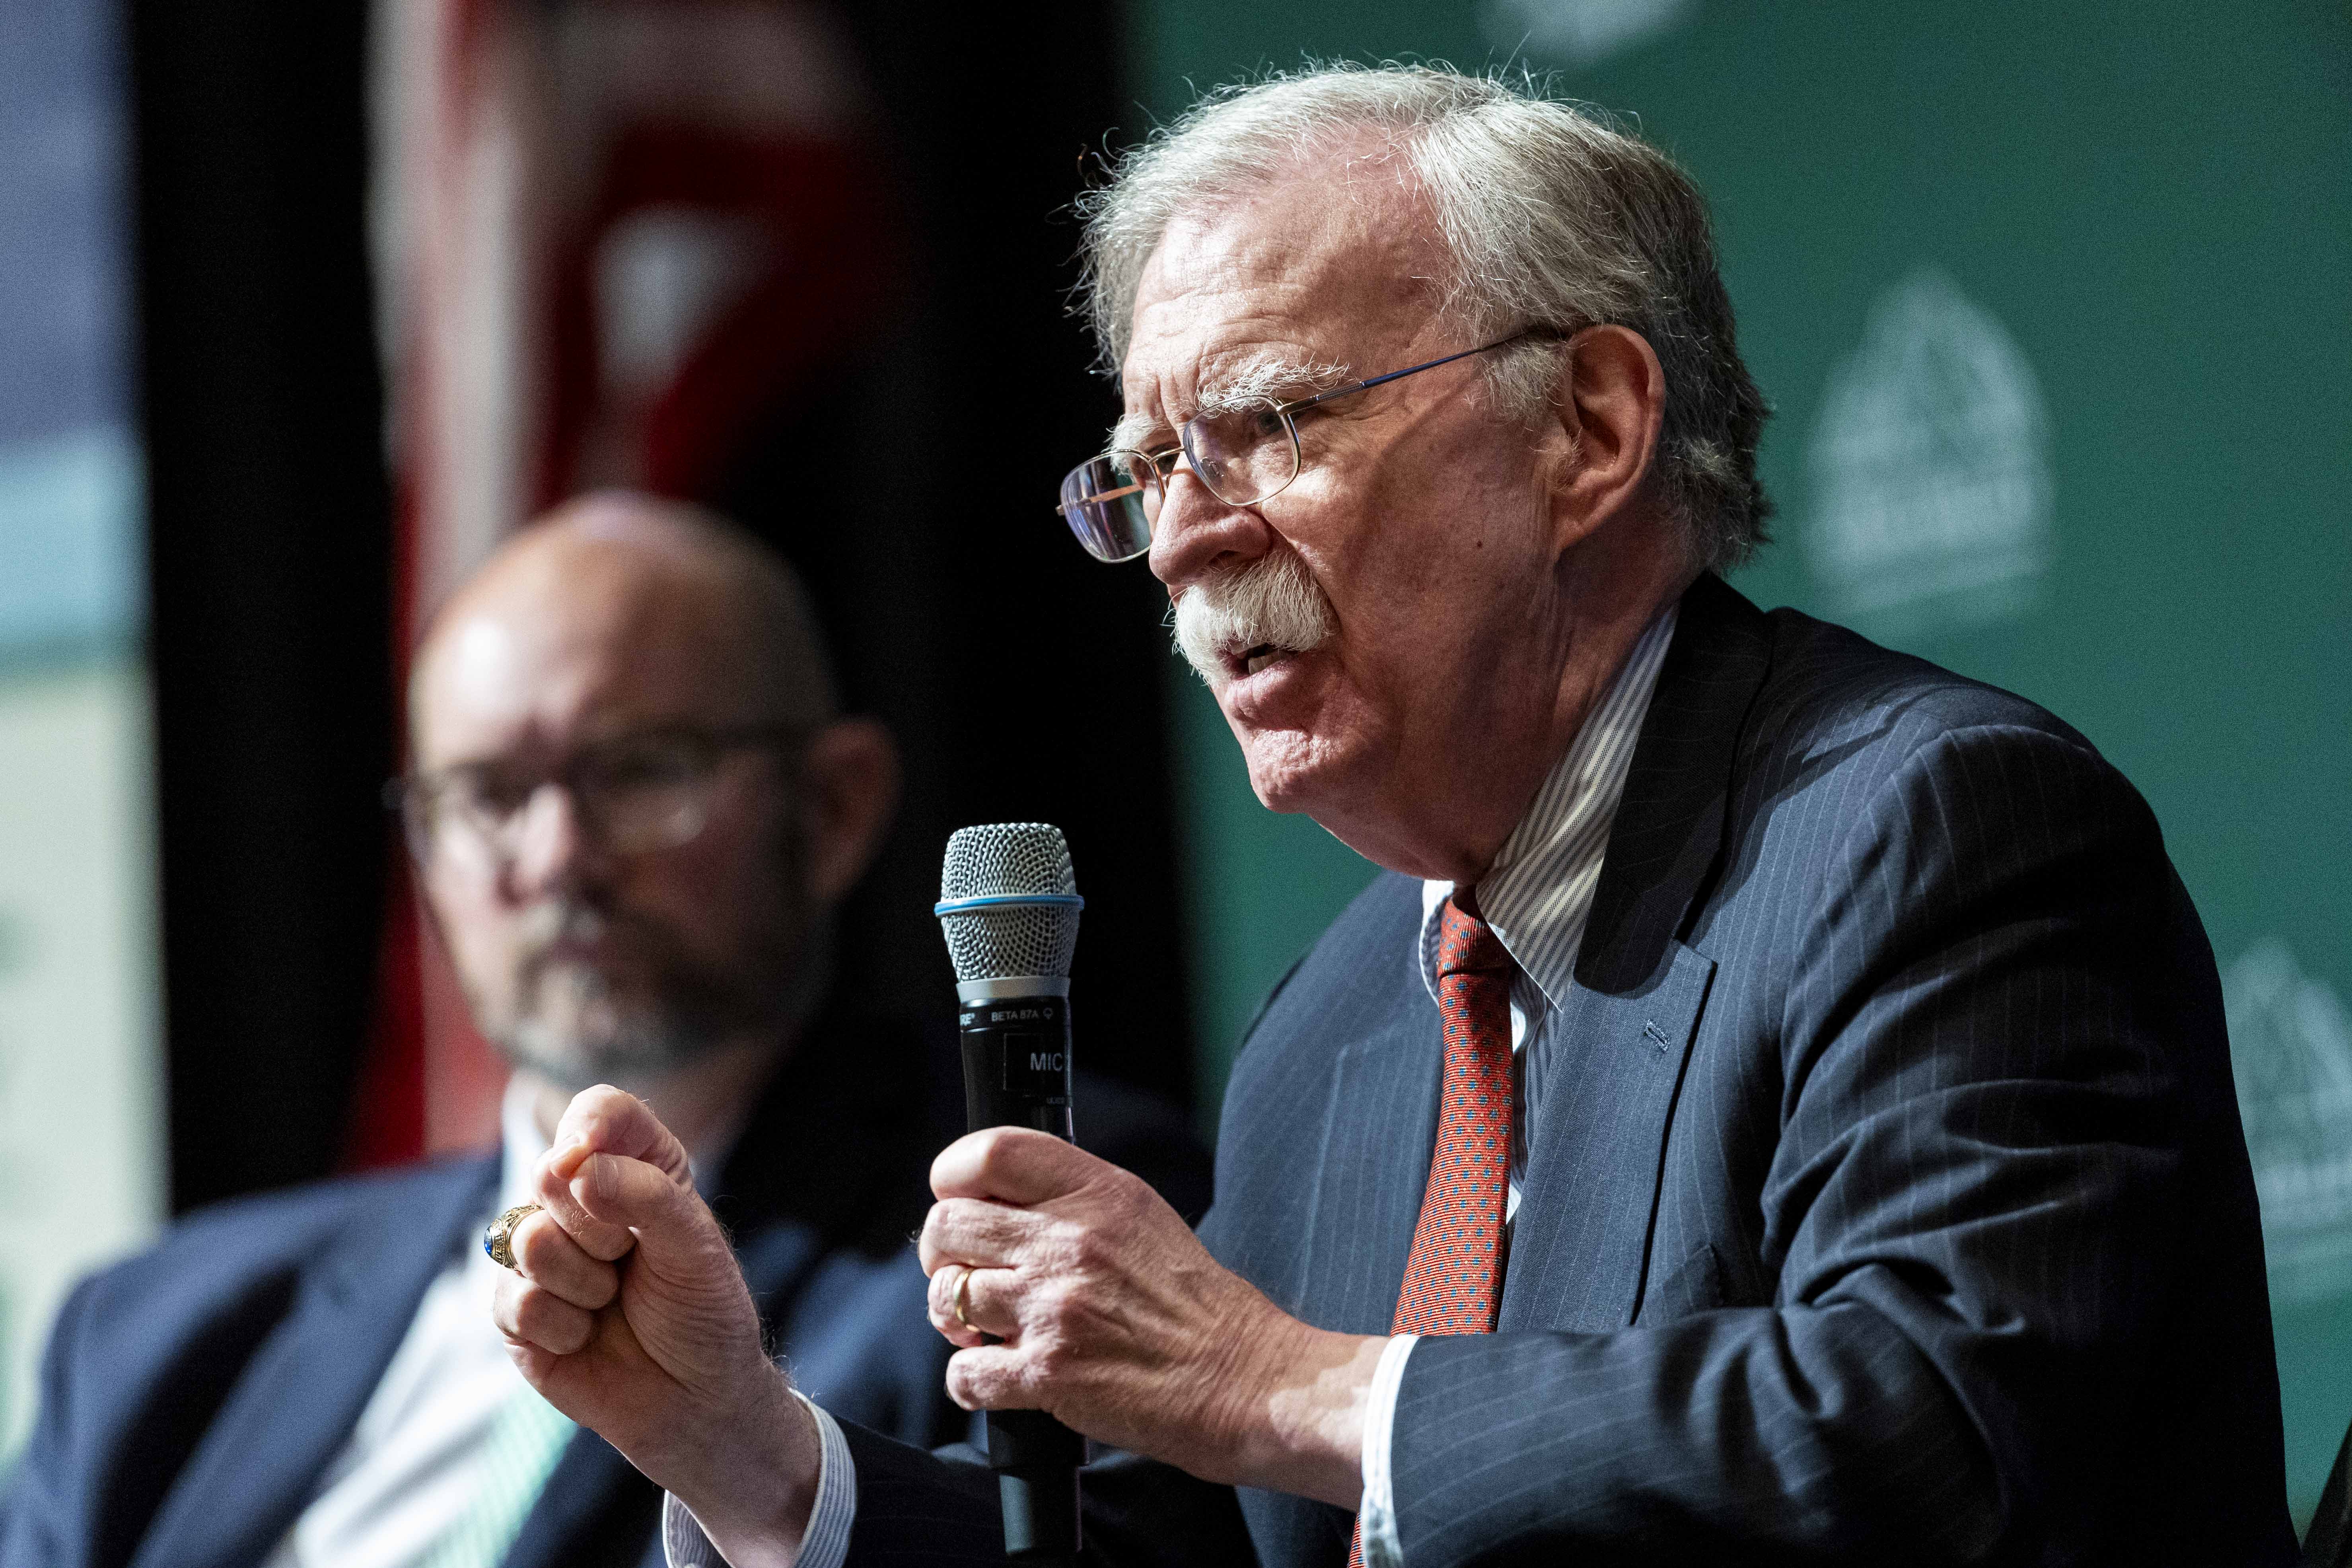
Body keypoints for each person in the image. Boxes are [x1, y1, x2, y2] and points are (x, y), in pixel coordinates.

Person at [494, 66, 2296, 1566]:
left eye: (1267, 423)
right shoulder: (1342, 1030)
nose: (1185, 534)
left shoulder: (1935, 837)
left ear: (1588, 427)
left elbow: (1938, 1436)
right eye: (1142, 472)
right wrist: (755, 1461)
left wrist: (1291, 1379)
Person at [0, 492, 1209, 1568]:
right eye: (486, 797)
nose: (557, 859)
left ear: (835, 807)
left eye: (638, 772)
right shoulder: (150, 1329)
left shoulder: (1042, 1214)